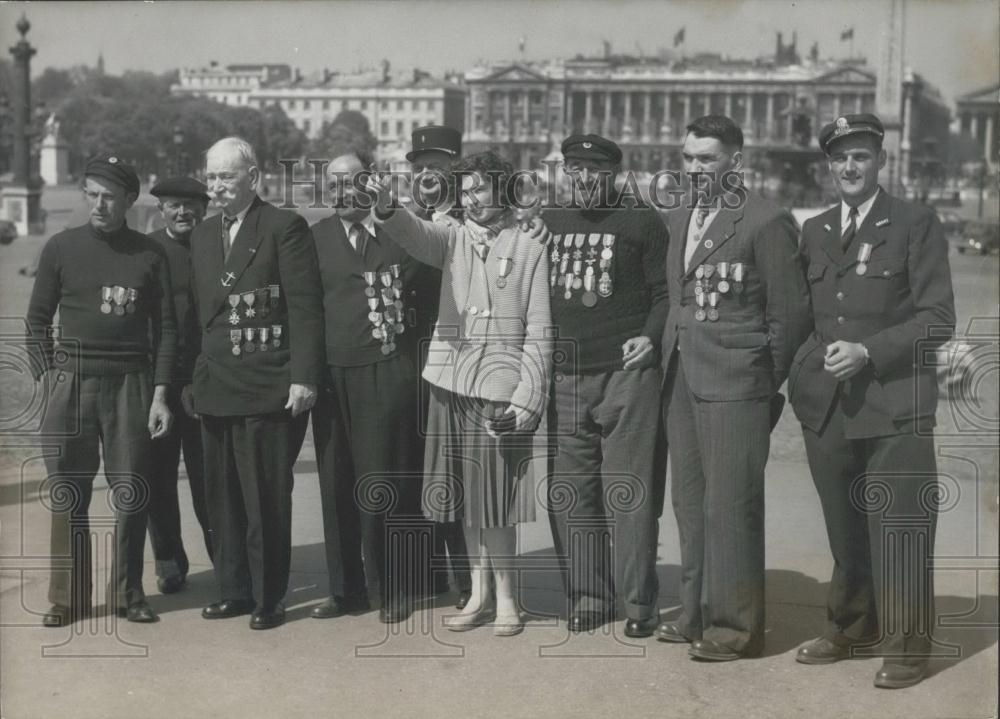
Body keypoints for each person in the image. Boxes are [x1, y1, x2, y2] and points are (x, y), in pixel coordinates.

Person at [790, 114, 955, 688]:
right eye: (840, 158)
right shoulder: (815, 229)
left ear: (881, 160)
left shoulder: (915, 222)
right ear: (829, 166)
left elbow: (937, 319)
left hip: (895, 401)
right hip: (828, 404)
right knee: (845, 527)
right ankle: (852, 624)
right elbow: (801, 315)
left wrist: (868, 351)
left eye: (861, 156)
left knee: (901, 527)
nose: (850, 167)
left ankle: (908, 649)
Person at [371, 150, 553, 637]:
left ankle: (510, 601)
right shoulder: (450, 236)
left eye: (481, 190)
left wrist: (527, 398)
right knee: (464, 500)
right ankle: (477, 595)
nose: (472, 201)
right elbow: (416, 234)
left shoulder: (531, 244)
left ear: (503, 190)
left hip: (501, 387)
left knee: (498, 502)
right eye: (465, 191)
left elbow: (540, 329)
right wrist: (388, 207)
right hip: (450, 382)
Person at [656, 115, 811, 660]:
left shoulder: (766, 221)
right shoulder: (678, 217)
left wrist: (762, 381)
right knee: (691, 503)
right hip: (680, 375)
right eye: (689, 158)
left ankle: (734, 627)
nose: (696, 169)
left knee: (731, 505)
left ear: (736, 162)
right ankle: (695, 610)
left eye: (708, 159)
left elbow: (790, 314)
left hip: (736, 381)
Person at [26, 155, 176, 625]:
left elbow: (167, 329)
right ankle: (67, 597)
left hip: (130, 383)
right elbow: (35, 321)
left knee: (131, 491)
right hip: (71, 382)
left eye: (109, 196)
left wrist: (159, 393)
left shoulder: (150, 254)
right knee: (69, 491)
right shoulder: (60, 248)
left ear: (130, 200)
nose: (99, 205)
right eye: (91, 194)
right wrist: (50, 378)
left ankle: (128, 593)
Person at [183, 137, 324, 630]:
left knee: (264, 497)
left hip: (267, 382)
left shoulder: (283, 227)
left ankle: (268, 598)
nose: (217, 186)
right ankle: (234, 590)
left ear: (253, 177)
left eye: (226, 176)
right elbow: (197, 316)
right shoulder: (202, 236)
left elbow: (305, 307)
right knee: (221, 499)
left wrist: (305, 377)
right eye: (212, 177)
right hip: (216, 382)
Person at [543, 134, 670, 637]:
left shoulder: (642, 221)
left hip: (626, 376)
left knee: (628, 493)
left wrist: (651, 338)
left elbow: (665, 294)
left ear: (615, 173)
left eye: (594, 169)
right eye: (573, 168)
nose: (582, 178)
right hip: (566, 377)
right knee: (572, 494)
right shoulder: (549, 222)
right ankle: (590, 597)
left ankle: (640, 604)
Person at [307, 148, 427, 623]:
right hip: (333, 375)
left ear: (371, 183)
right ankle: (347, 589)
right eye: (331, 185)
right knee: (337, 485)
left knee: (386, 480)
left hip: (387, 371)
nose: (339, 193)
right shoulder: (313, 238)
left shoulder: (401, 234)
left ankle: (395, 585)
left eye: (348, 183)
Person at [404, 125, 471, 608]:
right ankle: (426, 573)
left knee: (454, 469)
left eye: (439, 165)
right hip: (406, 356)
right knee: (413, 465)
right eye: (420, 165)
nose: (428, 173)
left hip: (455, 354)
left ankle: (468, 576)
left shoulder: (475, 219)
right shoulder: (400, 218)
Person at [146, 176, 212, 595]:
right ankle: (169, 561)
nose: (183, 212)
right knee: (158, 478)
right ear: (161, 209)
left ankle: (226, 555)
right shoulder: (147, 250)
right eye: (173, 205)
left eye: (190, 205)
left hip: (205, 380)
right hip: (159, 383)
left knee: (212, 478)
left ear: (203, 209)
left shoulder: (217, 245)